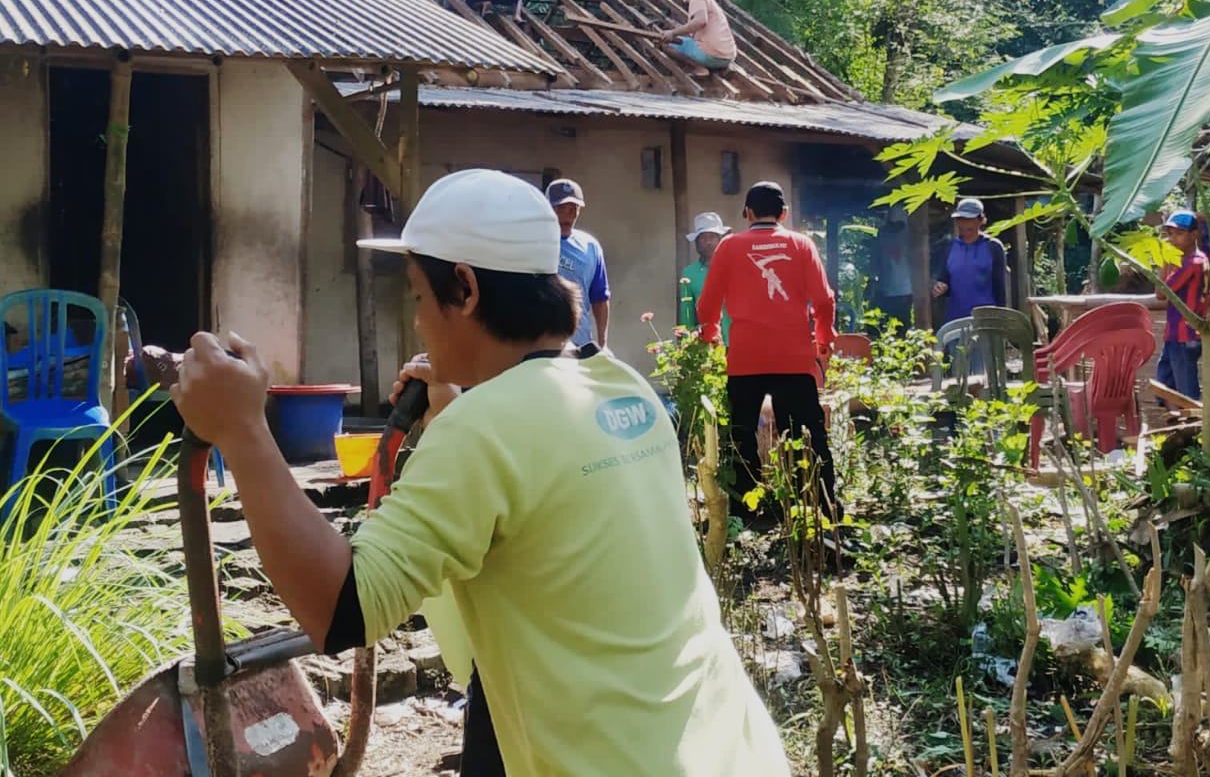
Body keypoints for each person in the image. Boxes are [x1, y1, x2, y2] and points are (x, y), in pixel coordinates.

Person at [170, 169, 789, 777]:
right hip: (733, 749)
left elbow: (337, 608)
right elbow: (535, 483)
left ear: (463, 289)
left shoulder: (485, 430)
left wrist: (244, 431)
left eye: (417, 295)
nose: (416, 320)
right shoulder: (622, 388)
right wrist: (454, 408)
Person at [696, 181, 839, 523]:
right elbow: (823, 299)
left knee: (743, 433)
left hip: (746, 358)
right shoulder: (802, 244)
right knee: (807, 433)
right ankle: (822, 507)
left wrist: (711, 334)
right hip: (793, 357)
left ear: (747, 213)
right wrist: (823, 339)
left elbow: (708, 302)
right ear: (784, 214)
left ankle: (749, 512)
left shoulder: (729, 247)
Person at [546, 177, 609, 348]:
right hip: (537, 346)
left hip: (578, 344)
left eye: (573, 209)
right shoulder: (532, 242)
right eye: (560, 208)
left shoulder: (590, 247)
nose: (567, 215)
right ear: (547, 209)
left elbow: (600, 297)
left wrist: (603, 344)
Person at [1156, 208, 1208, 401]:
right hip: (1176, 335)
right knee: (1164, 390)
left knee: (1186, 394)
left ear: (1194, 234)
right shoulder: (1189, 261)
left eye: (1179, 233)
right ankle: (1178, 426)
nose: (1173, 239)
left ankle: (1192, 428)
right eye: (1170, 234)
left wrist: (1164, 259)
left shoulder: (1193, 262)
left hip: (1185, 336)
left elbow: (1161, 292)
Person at [931, 198, 1008, 324]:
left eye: (969, 219)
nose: (964, 224)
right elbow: (943, 279)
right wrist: (941, 288)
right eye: (961, 219)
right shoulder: (949, 247)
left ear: (981, 220)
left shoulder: (993, 247)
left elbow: (1000, 287)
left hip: (986, 319)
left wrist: (1001, 318)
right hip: (955, 319)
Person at [660, 0, 738, 77]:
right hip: (728, 57)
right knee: (687, 41)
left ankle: (699, 68)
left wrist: (673, 33)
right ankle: (717, 68)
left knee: (667, 45)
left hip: (711, 55)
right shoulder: (709, 0)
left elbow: (700, 21)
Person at [679, 211, 731, 343]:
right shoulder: (689, 273)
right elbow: (687, 313)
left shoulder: (735, 267)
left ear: (720, 239)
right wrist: (688, 342)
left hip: (737, 341)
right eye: (703, 238)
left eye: (713, 237)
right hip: (708, 344)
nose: (708, 242)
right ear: (696, 242)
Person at [870, 205, 913, 326]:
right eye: (892, 224)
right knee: (883, 324)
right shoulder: (883, 233)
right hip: (885, 288)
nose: (894, 227)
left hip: (905, 290)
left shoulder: (910, 234)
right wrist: (873, 281)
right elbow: (876, 260)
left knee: (903, 324)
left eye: (898, 224)